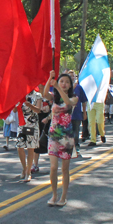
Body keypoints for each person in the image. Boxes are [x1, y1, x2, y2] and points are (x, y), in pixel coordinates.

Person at [43, 70, 78, 206]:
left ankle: (63, 197)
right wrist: (50, 78)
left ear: (70, 85)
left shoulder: (74, 98)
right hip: (53, 135)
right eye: (61, 81)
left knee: (64, 169)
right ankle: (54, 195)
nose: (63, 84)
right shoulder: (53, 97)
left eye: (66, 82)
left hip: (67, 137)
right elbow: (44, 94)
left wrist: (57, 86)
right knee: (53, 167)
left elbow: (68, 101)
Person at [16, 91, 42, 182]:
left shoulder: (37, 95)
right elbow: (15, 110)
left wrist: (30, 105)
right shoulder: (21, 94)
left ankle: (28, 172)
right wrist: (16, 103)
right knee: (19, 147)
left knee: (30, 148)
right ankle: (24, 168)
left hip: (33, 124)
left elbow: (38, 110)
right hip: (22, 124)